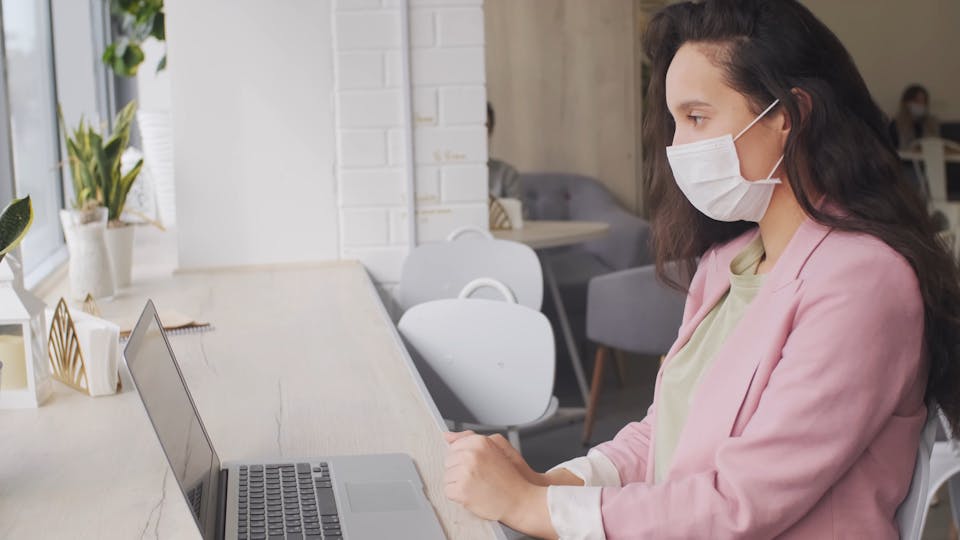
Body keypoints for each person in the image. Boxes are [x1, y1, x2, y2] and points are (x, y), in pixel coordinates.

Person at [442, 1, 960, 538]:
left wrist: (535, 508)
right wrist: (549, 485)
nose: (678, 146)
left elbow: (741, 501)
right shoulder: (724, 264)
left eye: (696, 118)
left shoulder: (864, 283)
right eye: (675, 122)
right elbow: (663, 434)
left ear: (790, 116)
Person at [487, 102, 522, 200]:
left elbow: (517, 209)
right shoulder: (452, 174)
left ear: (491, 130)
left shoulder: (508, 174)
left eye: (485, 127)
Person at [890, 84, 941, 150]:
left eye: (924, 101)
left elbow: (937, 144)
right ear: (906, 103)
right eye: (916, 101)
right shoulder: (896, 124)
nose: (921, 104)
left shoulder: (932, 123)